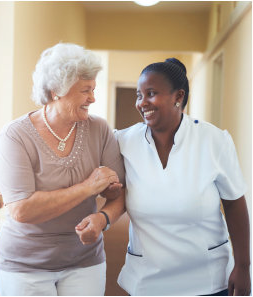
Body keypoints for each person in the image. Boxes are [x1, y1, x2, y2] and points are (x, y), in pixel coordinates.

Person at [77, 58, 251, 296]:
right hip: (148, 280)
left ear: (178, 97)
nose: (142, 103)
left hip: (208, 279)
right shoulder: (123, 141)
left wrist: (243, 266)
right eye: (139, 95)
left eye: (151, 93)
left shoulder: (214, 141)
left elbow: (234, 204)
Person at [0, 43, 125, 296]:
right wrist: (88, 187)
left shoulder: (99, 129)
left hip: (85, 260)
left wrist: (103, 217)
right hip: (25, 265)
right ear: (56, 91)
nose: (93, 98)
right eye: (85, 90)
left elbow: (118, 195)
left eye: (94, 89)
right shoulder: (16, 135)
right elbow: (22, 209)